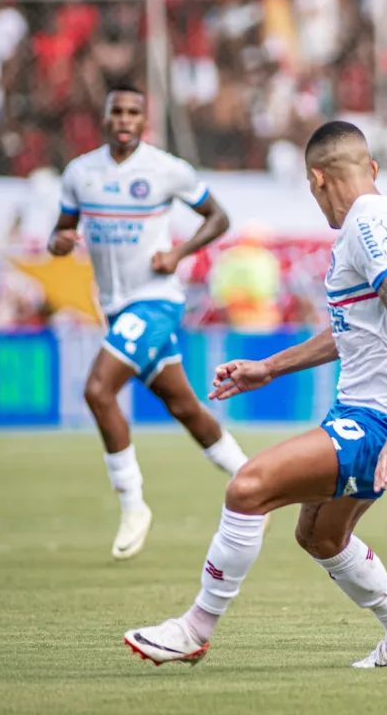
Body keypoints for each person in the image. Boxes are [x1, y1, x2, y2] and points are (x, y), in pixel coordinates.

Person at [124, 121, 387, 668]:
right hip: (372, 413)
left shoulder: (367, 224)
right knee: (320, 535)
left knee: (249, 487)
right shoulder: (385, 220)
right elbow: (356, 329)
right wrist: (270, 368)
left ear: (316, 179)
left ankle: (194, 629)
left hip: (382, 421)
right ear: (369, 168)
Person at [49, 85, 249, 560]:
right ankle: (253, 474)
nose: (124, 118)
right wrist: (57, 241)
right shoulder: (81, 173)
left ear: (145, 121)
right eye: (116, 111)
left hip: (156, 302)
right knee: (184, 406)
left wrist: (178, 253)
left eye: (133, 112)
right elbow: (62, 229)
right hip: (117, 309)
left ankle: (133, 505)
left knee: (98, 390)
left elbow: (219, 216)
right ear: (104, 118)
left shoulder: (165, 170)